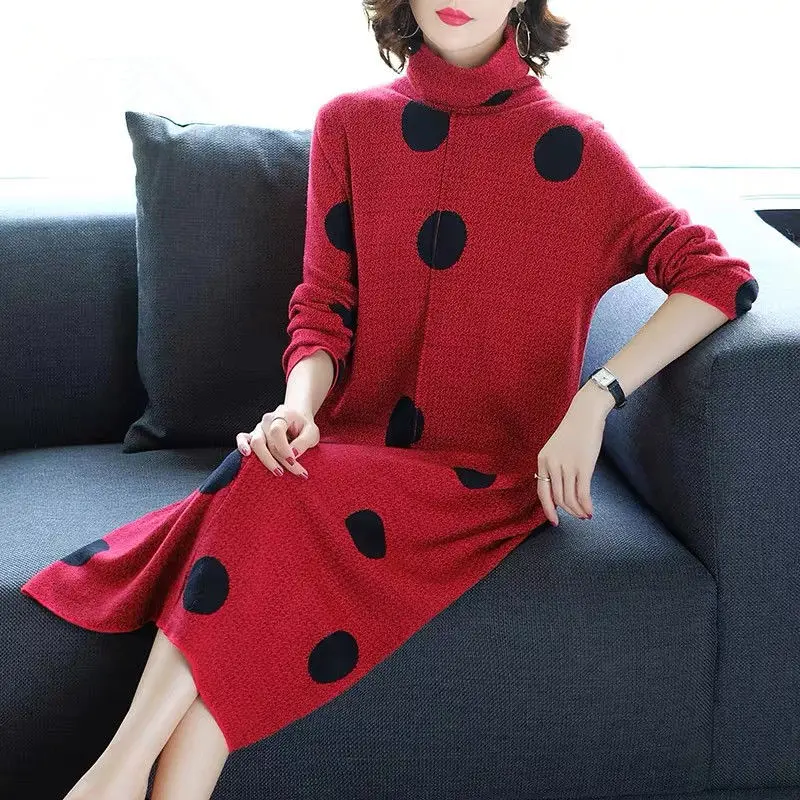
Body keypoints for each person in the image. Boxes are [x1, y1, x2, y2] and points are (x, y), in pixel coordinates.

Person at [20, 1, 759, 798]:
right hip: (354, 450)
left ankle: (112, 775)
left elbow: (719, 279)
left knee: (266, 486)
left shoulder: (577, 149)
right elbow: (322, 309)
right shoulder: (350, 125)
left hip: (484, 479)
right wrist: (299, 407)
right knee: (273, 489)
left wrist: (597, 396)